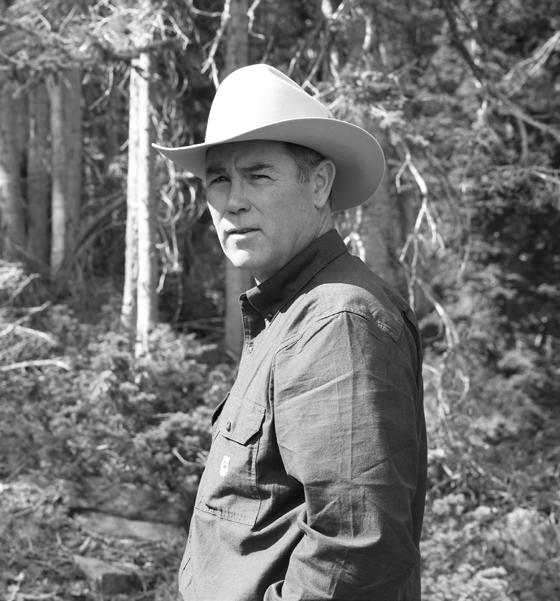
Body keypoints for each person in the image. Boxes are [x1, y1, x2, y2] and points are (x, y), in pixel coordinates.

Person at [153, 64, 427, 601]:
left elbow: (355, 552)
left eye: (258, 175)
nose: (232, 201)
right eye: (218, 179)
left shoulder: (337, 321)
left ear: (319, 184)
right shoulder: (290, 313)